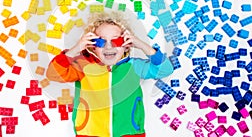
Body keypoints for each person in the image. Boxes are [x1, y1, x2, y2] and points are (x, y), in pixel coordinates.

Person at [46, 11, 174, 137]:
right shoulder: (83, 66)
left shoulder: (133, 66)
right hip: (89, 134)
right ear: (92, 46)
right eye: (100, 42)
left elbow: (165, 69)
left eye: (116, 41)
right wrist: (75, 49)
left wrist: (142, 45)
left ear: (126, 44)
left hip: (129, 133)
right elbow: (53, 73)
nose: (108, 47)